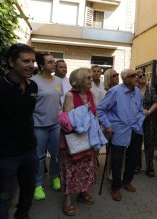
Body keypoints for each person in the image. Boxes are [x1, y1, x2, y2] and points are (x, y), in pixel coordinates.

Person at [0, 44, 38, 219]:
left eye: (33, 61)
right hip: (6, 155)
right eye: (26, 61)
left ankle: (22, 214)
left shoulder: (33, 87)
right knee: (4, 195)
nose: (31, 65)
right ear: (11, 62)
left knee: (28, 189)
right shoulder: (2, 87)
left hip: (30, 150)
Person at [97, 69, 145, 202]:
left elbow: (141, 111)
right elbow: (100, 109)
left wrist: (140, 123)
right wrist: (108, 125)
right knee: (117, 161)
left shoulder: (137, 92)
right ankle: (115, 187)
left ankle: (127, 181)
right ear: (125, 79)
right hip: (119, 131)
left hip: (135, 130)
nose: (137, 78)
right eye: (133, 76)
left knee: (133, 159)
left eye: (136, 75)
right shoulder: (115, 92)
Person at [60, 68, 100, 216]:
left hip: (88, 139)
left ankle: (82, 193)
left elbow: (94, 115)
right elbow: (68, 121)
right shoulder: (70, 95)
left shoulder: (90, 93)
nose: (92, 80)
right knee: (70, 170)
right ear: (80, 80)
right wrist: (84, 110)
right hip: (73, 141)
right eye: (88, 78)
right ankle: (67, 201)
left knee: (86, 168)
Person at [31, 52, 63, 200]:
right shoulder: (32, 81)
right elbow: (29, 106)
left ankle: (54, 177)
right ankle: (38, 185)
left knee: (57, 155)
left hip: (55, 125)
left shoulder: (58, 81)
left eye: (54, 62)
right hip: (38, 126)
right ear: (42, 65)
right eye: (50, 62)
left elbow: (59, 103)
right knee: (39, 157)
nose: (53, 64)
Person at [135, 70, 157, 177]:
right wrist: (140, 111)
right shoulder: (134, 90)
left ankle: (150, 167)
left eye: (143, 75)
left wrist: (148, 112)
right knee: (137, 144)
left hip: (149, 120)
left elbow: (156, 102)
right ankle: (137, 166)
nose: (142, 77)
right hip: (137, 120)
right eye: (139, 76)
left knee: (149, 144)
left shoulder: (151, 88)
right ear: (136, 79)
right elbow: (131, 104)